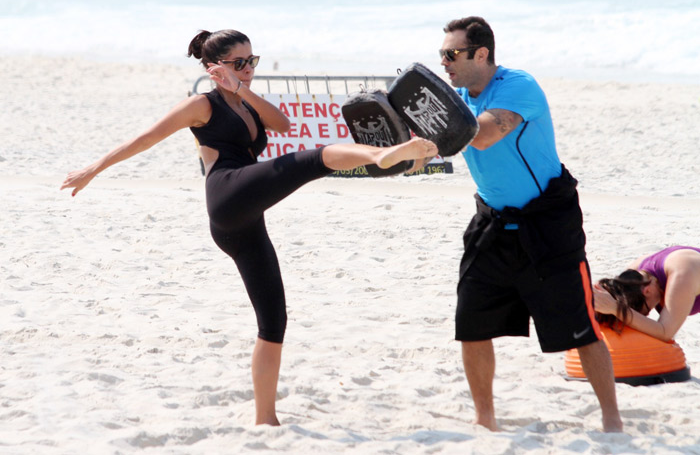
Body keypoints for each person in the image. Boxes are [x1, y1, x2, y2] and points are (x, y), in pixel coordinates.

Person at [61, 29, 438, 426]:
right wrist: (94, 169)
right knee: (314, 160)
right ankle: (382, 156)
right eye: (238, 63)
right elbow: (147, 137)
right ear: (215, 68)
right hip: (226, 195)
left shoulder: (246, 102)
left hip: (243, 221)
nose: (248, 70)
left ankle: (265, 420)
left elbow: (284, 124)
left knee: (273, 320)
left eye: (252, 61)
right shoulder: (200, 105)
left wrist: (242, 90)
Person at [439, 17, 623, 432]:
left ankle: (612, 418)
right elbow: (433, 148)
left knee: (582, 326)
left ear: (481, 54)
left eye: (452, 54)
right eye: (442, 55)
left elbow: (483, 135)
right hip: (491, 222)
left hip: (547, 222)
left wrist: (438, 123)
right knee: (470, 324)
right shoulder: (456, 99)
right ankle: (485, 419)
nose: (446, 63)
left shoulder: (518, 86)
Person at [594, 246, 700, 341]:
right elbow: (609, 293)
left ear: (647, 291)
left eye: (647, 311)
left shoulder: (681, 275)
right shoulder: (632, 278)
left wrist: (615, 308)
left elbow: (665, 332)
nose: (648, 315)